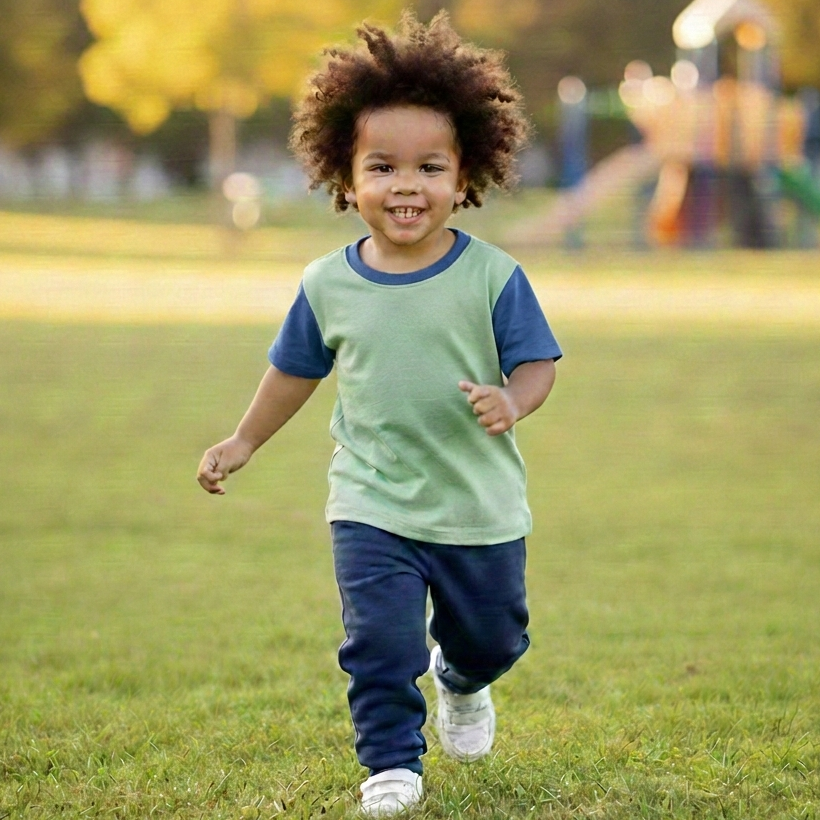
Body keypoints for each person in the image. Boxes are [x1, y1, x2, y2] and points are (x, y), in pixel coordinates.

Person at [197, 11, 562, 816]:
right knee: (380, 641)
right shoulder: (327, 284)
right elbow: (294, 370)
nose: (406, 185)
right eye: (382, 167)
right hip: (372, 501)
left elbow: (538, 363)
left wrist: (513, 399)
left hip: (477, 504)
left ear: (464, 177)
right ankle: (392, 763)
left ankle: (461, 679)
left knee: (495, 637)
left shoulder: (494, 277)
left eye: (429, 167)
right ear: (346, 178)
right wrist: (244, 439)